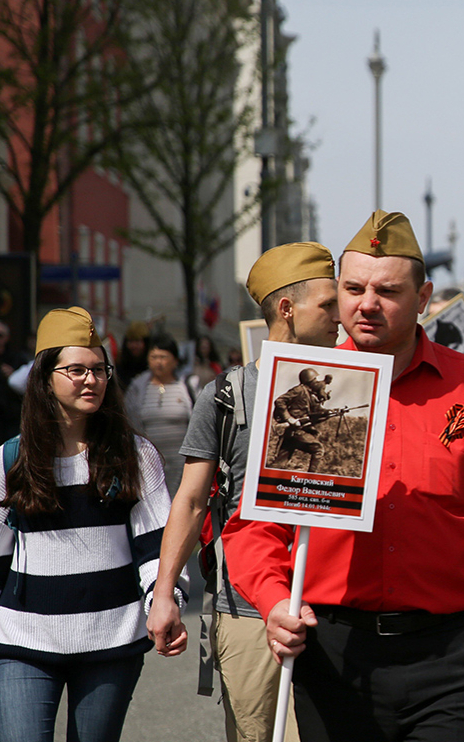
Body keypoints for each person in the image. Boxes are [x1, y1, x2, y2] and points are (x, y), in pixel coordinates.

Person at [222, 210, 464, 742]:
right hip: (335, 657)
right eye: (353, 288)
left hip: (450, 656)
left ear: (424, 297)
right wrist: (272, 604)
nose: (366, 304)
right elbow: (254, 527)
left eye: (387, 291)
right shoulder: (306, 388)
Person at [0, 307, 186, 740]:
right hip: (24, 644)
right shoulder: (11, 459)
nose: (90, 379)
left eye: (98, 369)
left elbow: (158, 548)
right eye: (75, 369)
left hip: (112, 641)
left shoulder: (135, 454)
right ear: (45, 376)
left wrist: (164, 602)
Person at [145, 241, 340, 742]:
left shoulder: (356, 385)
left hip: (339, 609)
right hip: (248, 610)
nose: (343, 314)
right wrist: (164, 592)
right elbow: (190, 501)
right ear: (287, 308)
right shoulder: (227, 394)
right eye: (329, 303)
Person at [125, 333, 196, 494]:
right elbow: (130, 423)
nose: (158, 362)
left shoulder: (188, 386)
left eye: (163, 357)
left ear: (175, 360)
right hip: (148, 463)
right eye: (154, 357)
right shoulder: (137, 388)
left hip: (182, 463)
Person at [269, 367, 330, 472]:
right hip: (295, 430)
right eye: (315, 379)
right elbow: (280, 401)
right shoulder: (298, 390)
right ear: (309, 380)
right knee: (318, 449)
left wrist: (329, 412)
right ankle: (311, 479)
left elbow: (316, 412)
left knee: (279, 464)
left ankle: (268, 479)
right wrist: (289, 419)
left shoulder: (310, 395)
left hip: (295, 432)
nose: (317, 382)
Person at [116, 320, 151, 389]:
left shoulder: (151, 366)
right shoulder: (120, 363)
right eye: (131, 341)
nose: (134, 346)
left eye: (137, 341)